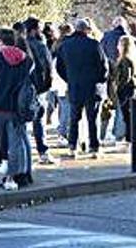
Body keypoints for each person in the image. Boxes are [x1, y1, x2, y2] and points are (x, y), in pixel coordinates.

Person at [0, 29, 34, 190]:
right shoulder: (27, 61)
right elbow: (33, 85)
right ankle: (11, 178)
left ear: (0, 41)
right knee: (15, 144)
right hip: (17, 109)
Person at [56, 19, 108, 159]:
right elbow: (103, 67)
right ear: (86, 30)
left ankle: (72, 146)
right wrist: (99, 79)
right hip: (91, 87)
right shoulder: (94, 44)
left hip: (75, 86)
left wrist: (69, 78)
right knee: (92, 119)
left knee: (74, 118)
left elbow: (59, 67)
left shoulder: (65, 45)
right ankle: (94, 147)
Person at [24, 17, 55, 165]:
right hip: (37, 87)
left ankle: (21, 152)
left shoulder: (20, 45)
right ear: (34, 29)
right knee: (38, 121)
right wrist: (45, 86)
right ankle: (42, 151)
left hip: (22, 87)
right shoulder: (40, 45)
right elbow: (48, 68)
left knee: (20, 122)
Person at [111, 35, 136, 144]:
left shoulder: (125, 59)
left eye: (119, 44)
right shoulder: (135, 58)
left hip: (127, 89)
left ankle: (131, 138)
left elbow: (126, 76)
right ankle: (133, 137)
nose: (117, 46)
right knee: (133, 115)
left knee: (128, 116)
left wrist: (118, 87)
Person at [51, 24, 74, 147]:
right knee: (67, 108)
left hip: (57, 81)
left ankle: (62, 131)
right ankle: (63, 132)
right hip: (66, 81)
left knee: (63, 107)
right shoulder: (69, 45)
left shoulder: (56, 45)